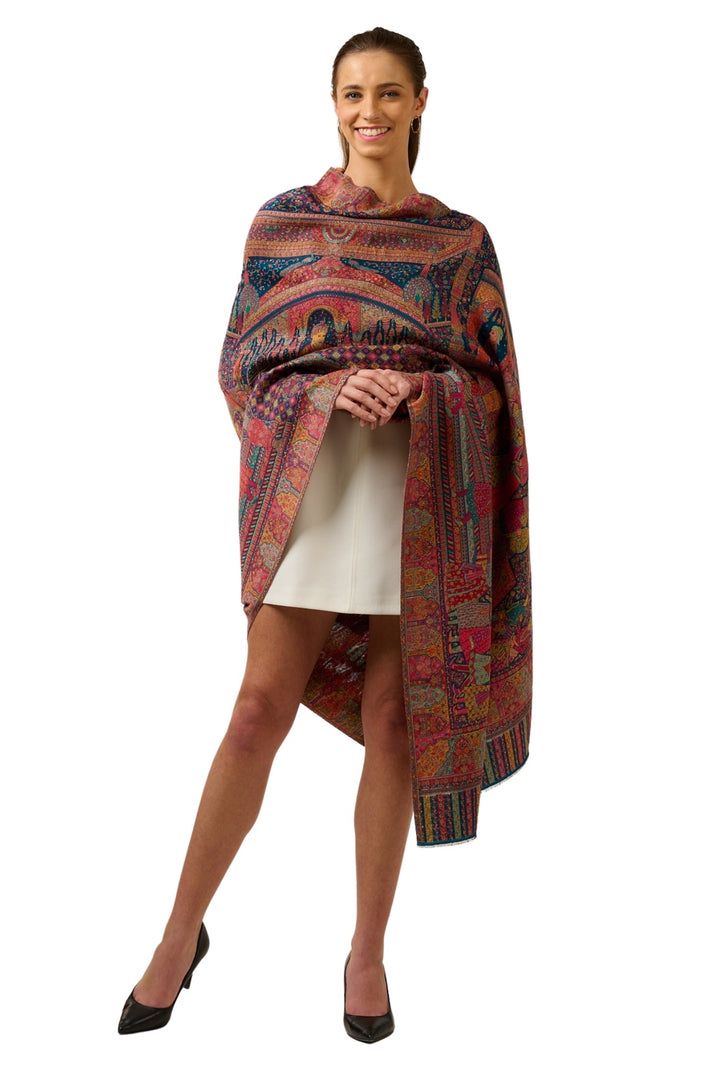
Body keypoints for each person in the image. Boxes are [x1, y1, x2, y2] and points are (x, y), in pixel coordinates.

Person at [118, 26, 532, 1043]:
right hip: (312, 487)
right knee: (256, 710)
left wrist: (423, 391)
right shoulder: (283, 225)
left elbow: (493, 392)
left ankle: (367, 952)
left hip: (418, 496)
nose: (369, 112)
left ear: (422, 102)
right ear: (333, 102)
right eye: (353, 93)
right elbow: (240, 368)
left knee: (395, 721)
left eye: (389, 93)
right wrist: (326, 387)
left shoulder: (460, 243)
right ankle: (178, 933)